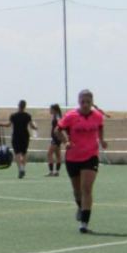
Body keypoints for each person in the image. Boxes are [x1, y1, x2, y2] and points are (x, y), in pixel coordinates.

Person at [58, 89, 107, 233]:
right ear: (79, 102)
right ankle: (80, 206)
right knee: (77, 190)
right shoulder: (70, 116)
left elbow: (100, 127)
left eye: (88, 102)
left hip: (91, 156)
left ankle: (84, 223)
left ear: (92, 102)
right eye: (82, 102)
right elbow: (57, 130)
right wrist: (66, 141)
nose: (85, 105)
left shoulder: (97, 116)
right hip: (73, 157)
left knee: (86, 188)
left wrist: (102, 140)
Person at [1, 100, 38, 179]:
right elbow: (32, 126)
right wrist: (36, 127)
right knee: (24, 153)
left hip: (16, 136)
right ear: (25, 106)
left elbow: (8, 125)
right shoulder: (27, 116)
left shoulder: (13, 115)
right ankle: (23, 168)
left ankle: (20, 168)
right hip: (25, 136)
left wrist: (1, 124)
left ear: (18, 106)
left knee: (17, 153)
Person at [46, 103, 64, 177]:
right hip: (55, 138)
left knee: (49, 153)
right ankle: (56, 171)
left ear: (55, 110)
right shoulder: (55, 116)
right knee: (58, 155)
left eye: (51, 109)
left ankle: (51, 171)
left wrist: (58, 137)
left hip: (56, 138)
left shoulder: (57, 117)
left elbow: (60, 127)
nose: (50, 110)